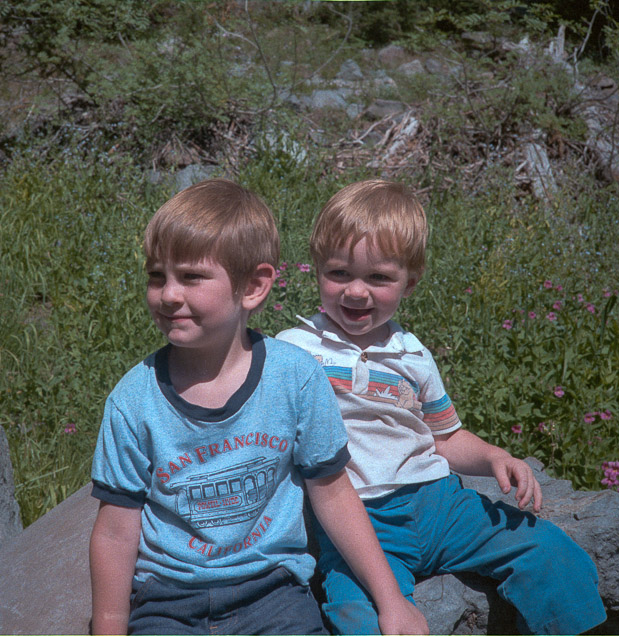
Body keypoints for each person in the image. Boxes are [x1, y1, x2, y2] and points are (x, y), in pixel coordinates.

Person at [89, 179, 428, 636]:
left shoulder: (296, 378)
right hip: (168, 600)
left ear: (253, 286)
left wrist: (391, 602)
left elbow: (333, 491)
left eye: (190, 277)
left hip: (274, 594)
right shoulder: (133, 401)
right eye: (157, 276)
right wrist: (109, 628)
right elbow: (115, 531)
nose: (168, 294)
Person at [277, 179, 607, 635]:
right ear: (316, 269)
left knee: (547, 549)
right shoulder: (293, 350)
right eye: (339, 273)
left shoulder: (413, 355)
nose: (356, 292)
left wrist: (495, 457)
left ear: (410, 282)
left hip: (439, 504)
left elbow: (445, 436)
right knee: (361, 616)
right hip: (358, 523)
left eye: (379, 277)